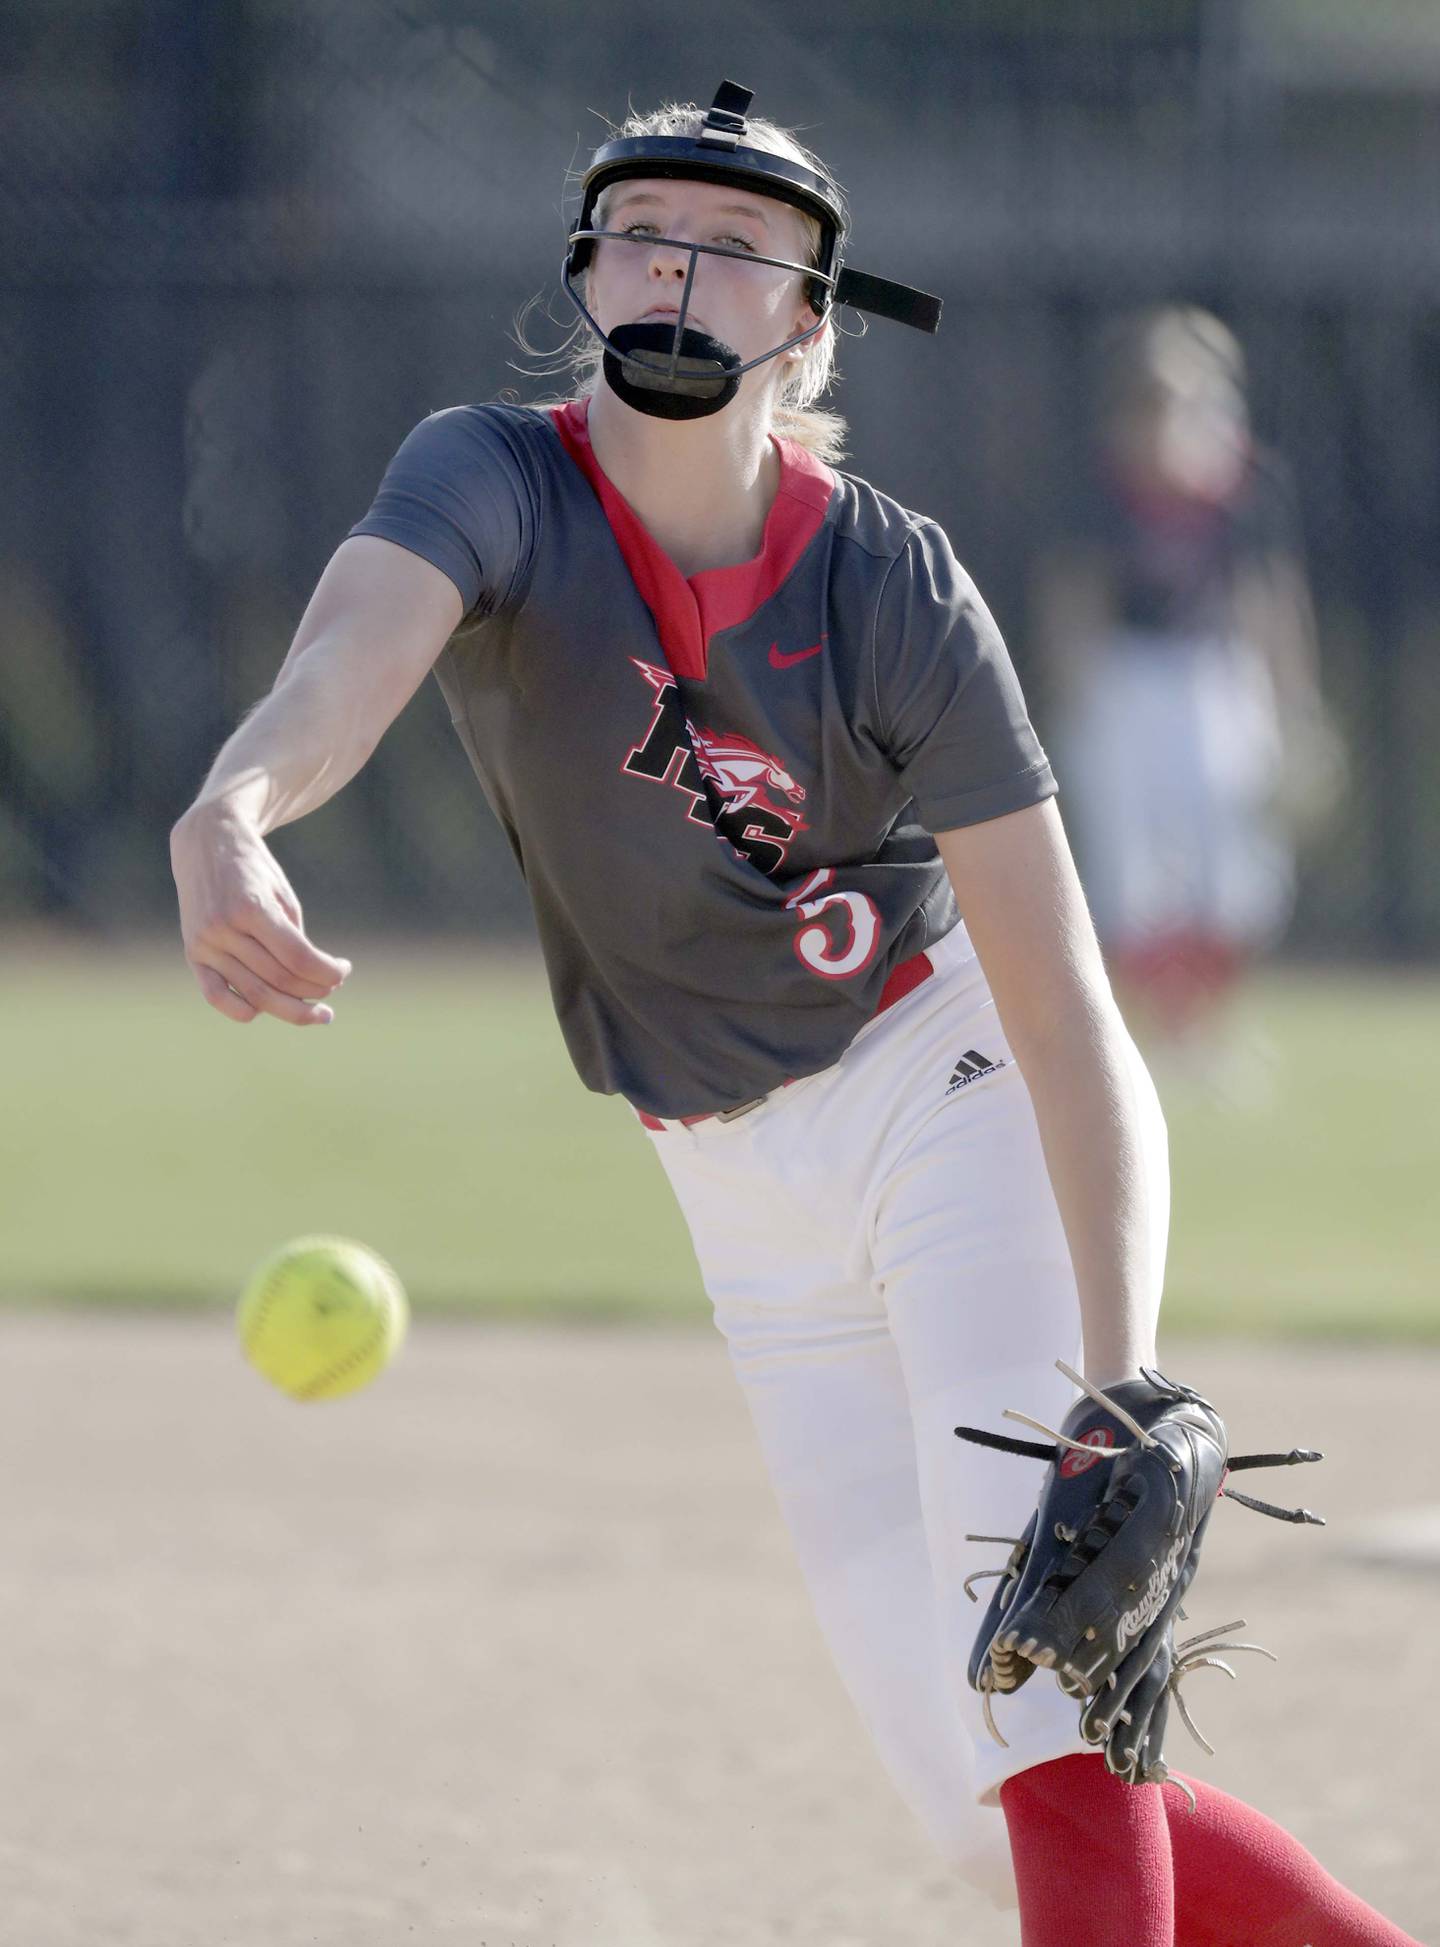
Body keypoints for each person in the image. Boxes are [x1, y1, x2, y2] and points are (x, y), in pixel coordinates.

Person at [170, 84, 1416, 1945]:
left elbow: (1067, 1004)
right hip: (731, 1190)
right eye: (644, 228)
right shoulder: (491, 475)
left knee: (1046, 1706)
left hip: (947, 1092)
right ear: (583, 270)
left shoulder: (893, 581)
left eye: (737, 244)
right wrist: (233, 806)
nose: (681, 264)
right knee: (972, 1804)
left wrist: (1121, 1372)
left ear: (812, 316)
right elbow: (354, 654)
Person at [1030, 306, 1344, 1098]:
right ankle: (1157, 1032)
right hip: (1129, 673)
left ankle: (1207, 1027)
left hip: (1217, 673)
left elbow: (1271, 600)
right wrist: (1073, 709)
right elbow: (1074, 598)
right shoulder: (1101, 484)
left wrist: (1296, 708)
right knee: (1132, 869)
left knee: (1233, 865)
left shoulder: (1248, 483)